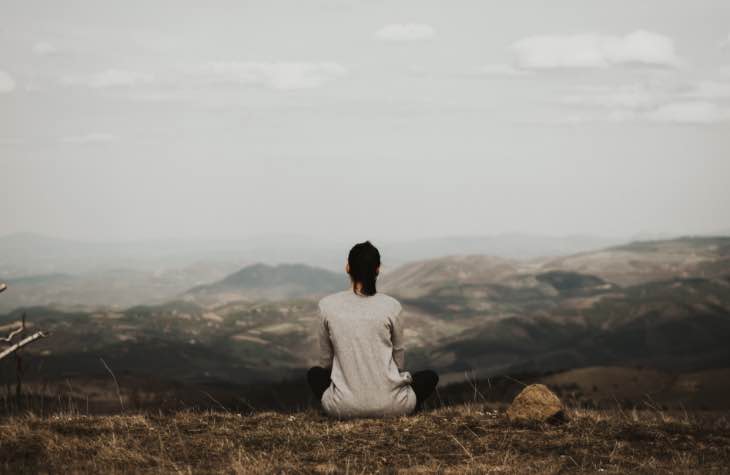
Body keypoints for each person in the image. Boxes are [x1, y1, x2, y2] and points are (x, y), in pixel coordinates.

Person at [307, 241, 439, 418]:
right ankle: (401, 407)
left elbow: (326, 363)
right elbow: (398, 363)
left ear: (347, 267)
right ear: (377, 269)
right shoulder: (392, 306)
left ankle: (347, 403)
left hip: (342, 407)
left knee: (314, 374)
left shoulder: (326, 306)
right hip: (394, 406)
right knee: (429, 377)